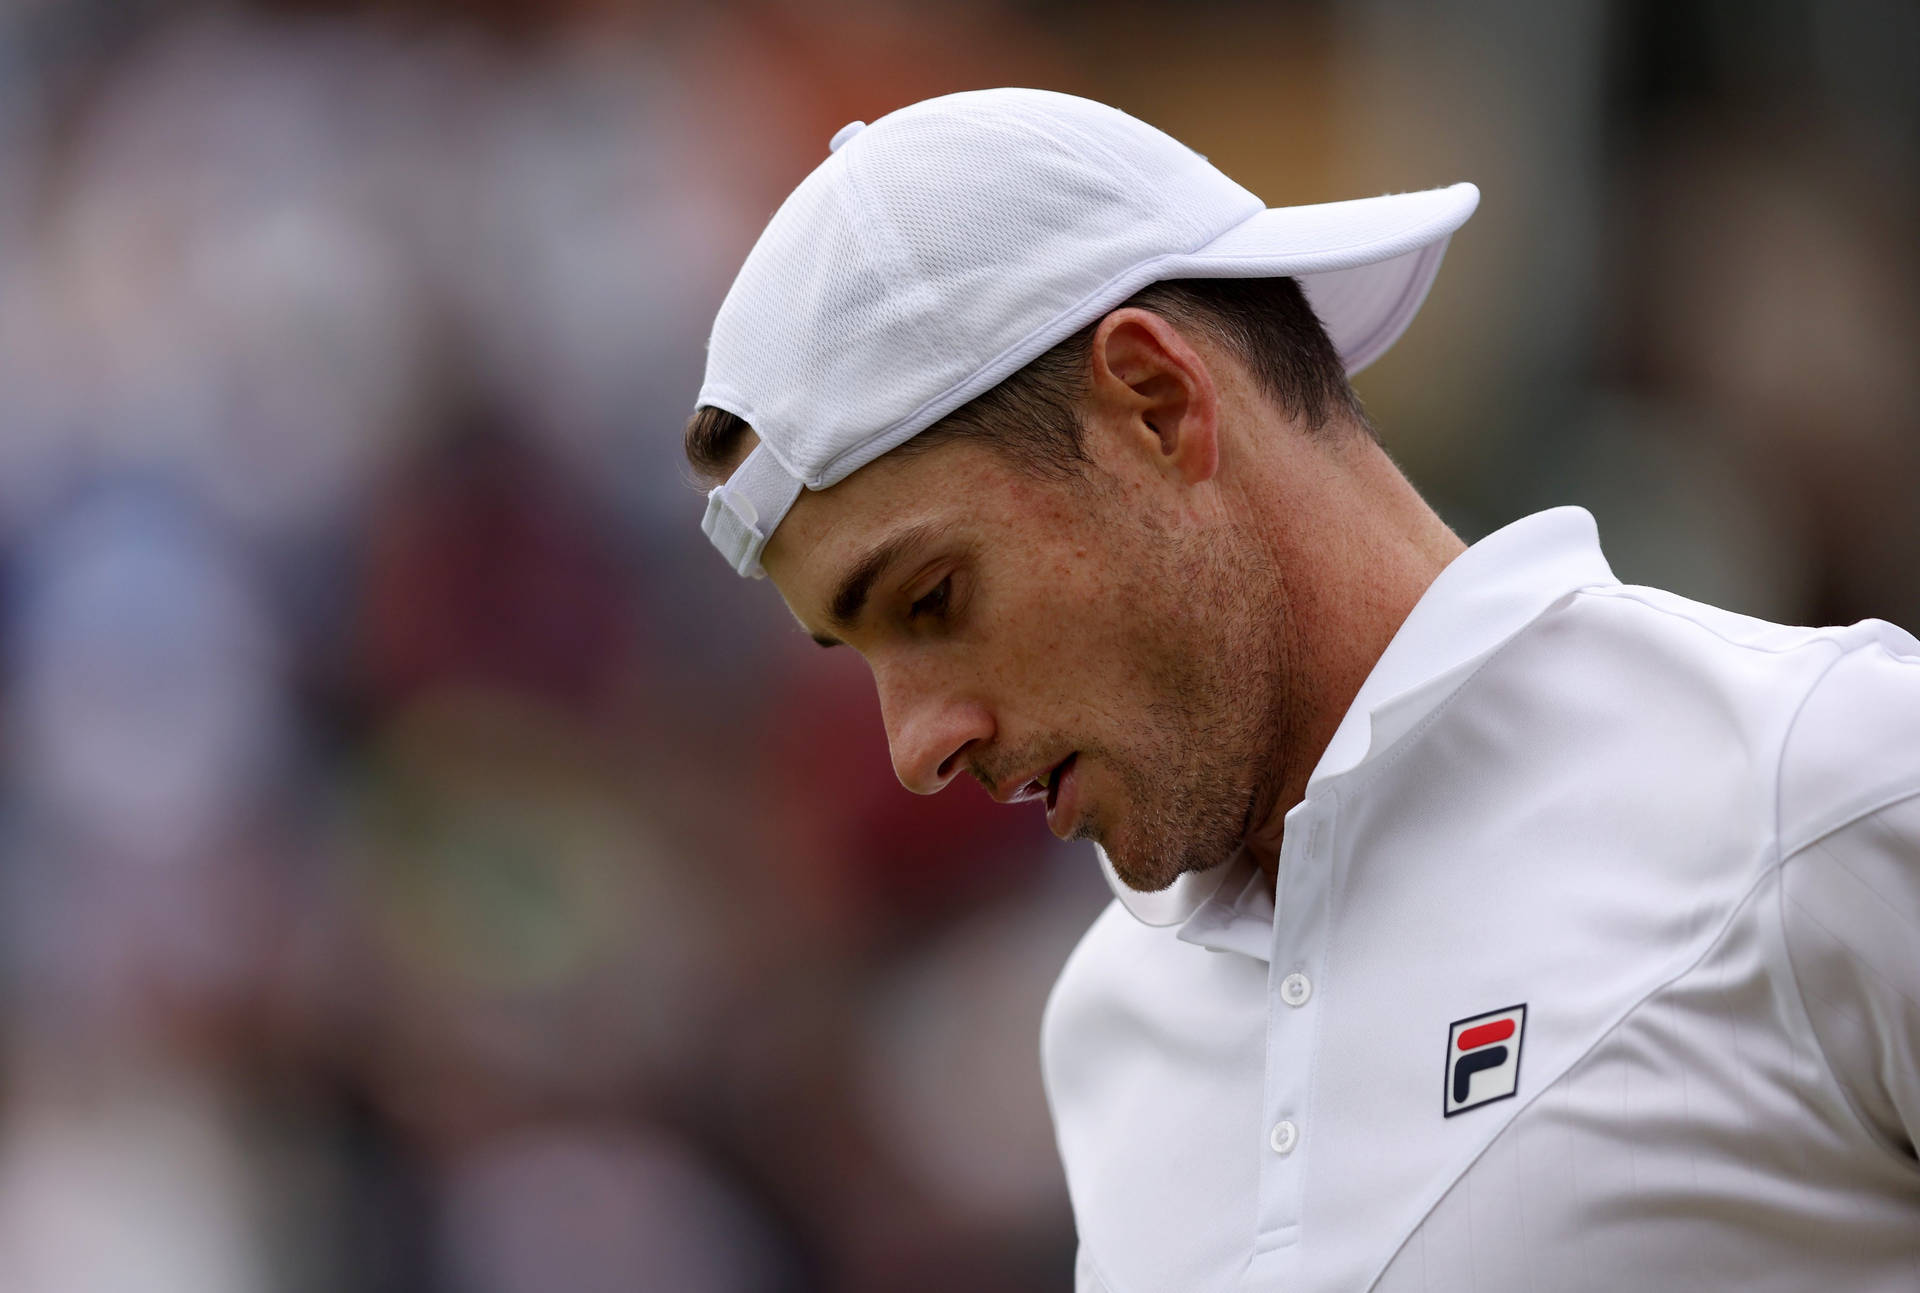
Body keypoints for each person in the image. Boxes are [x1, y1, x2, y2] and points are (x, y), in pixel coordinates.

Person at [680, 89, 1920, 1292]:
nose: (913, 751)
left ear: (1156, 406)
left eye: (935, 599)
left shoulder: (1833, 777)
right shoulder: (1106, 1027)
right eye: (863, 652)